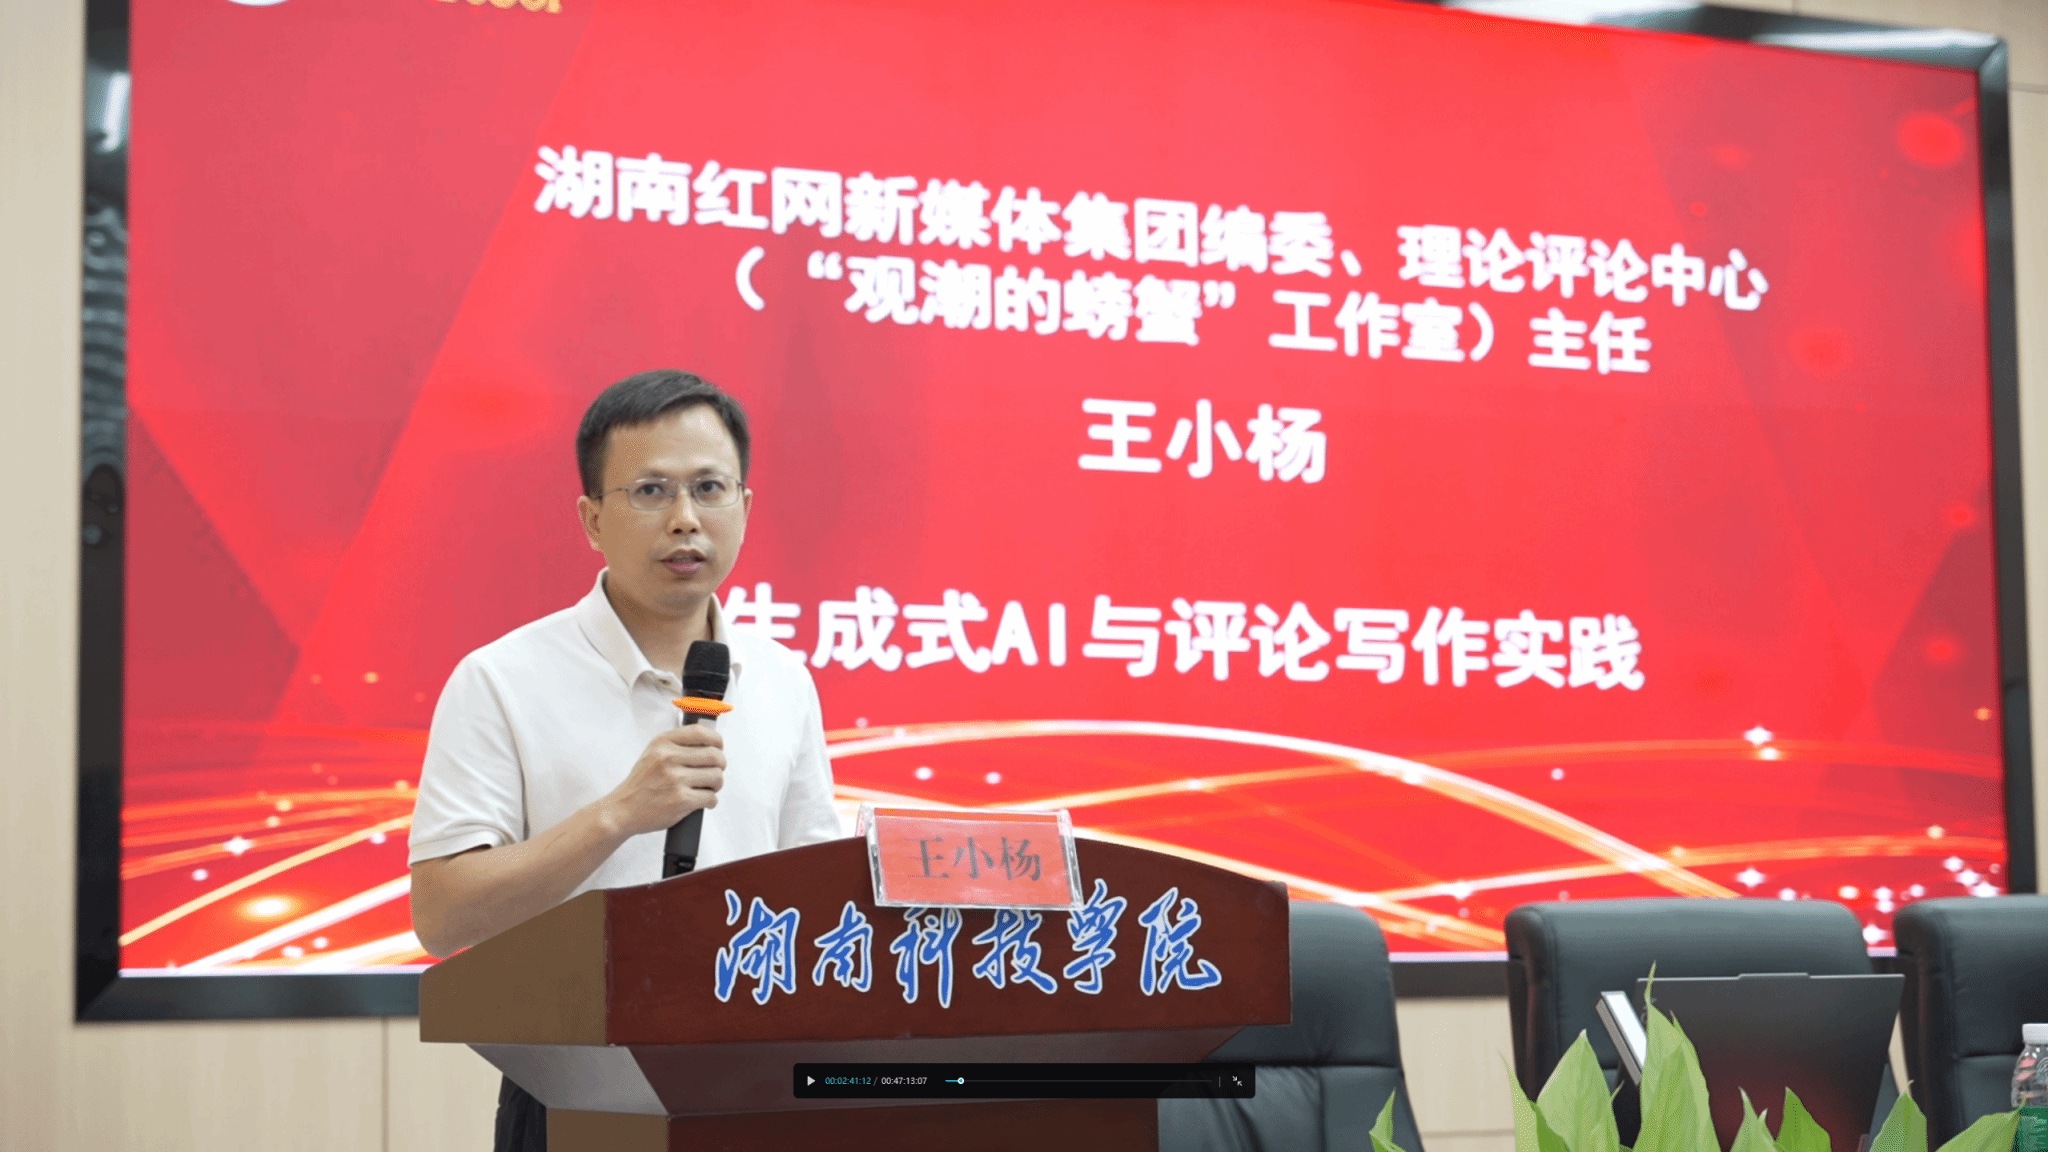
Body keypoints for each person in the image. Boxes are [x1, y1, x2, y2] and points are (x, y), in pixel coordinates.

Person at [406, 370, 841, 1151]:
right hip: (575, 1087)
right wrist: (616, 817)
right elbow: (442, 917)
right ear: (593, 519)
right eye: (650, 492)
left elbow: (818, 899)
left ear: (744, 507)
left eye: (709, 488)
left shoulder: (783, 680)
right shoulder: (502, 679)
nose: (685, 519)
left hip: (756, 1085)